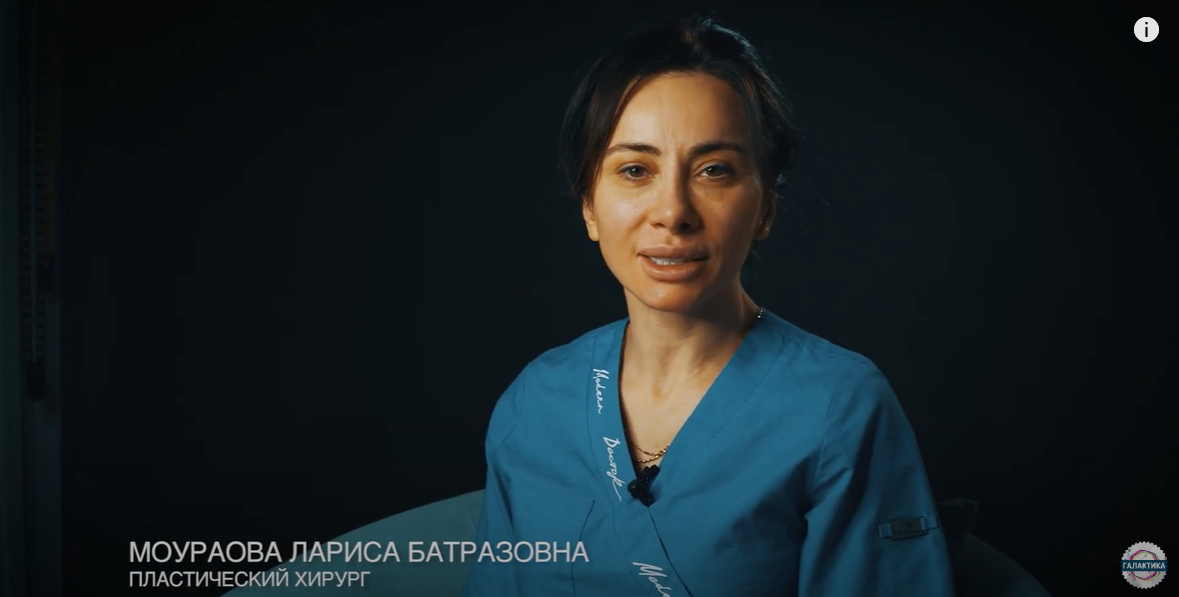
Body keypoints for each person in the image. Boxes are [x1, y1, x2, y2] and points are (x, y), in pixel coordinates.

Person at [461, 15, 955, 597]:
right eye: (635, 170)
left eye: (714, 170)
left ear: (765, 208)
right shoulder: (536, 402)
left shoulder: (839, 406)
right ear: (589, 206)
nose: (673, 212)